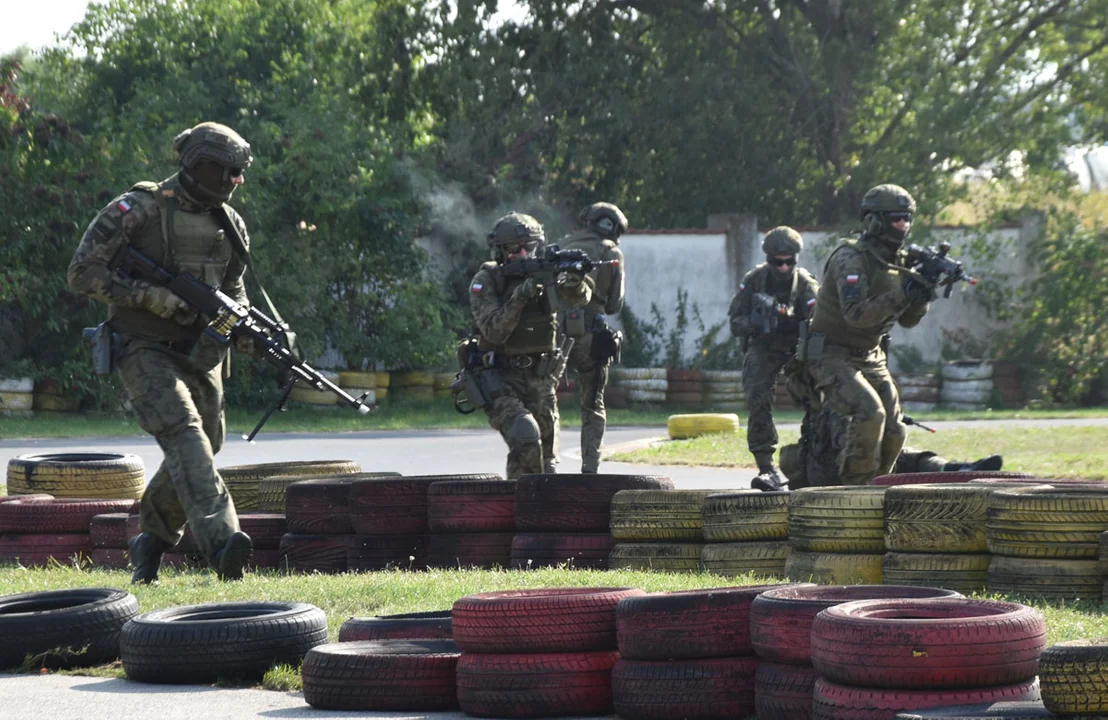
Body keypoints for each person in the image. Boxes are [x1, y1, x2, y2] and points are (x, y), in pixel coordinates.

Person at [68, 122, 256, 583]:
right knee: (185, 433)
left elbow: (235, 289)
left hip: (201, 352)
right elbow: (81, 272)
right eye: (230, 171)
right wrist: (149, 296)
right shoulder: (137, 210)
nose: (238, 181)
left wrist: (247, 327)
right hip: (142, 347)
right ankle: (223, 541)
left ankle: (150, 541)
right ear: (201, 166)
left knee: (207, 443)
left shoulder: (229, 224)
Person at [803, 183, 936, 485]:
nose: (904, 225)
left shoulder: (899, 261)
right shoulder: (850, 258)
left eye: (908, 218)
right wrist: (904, 292)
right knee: (869, 412)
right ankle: (854, 493)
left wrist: (922, 293)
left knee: (896, 428)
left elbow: (909, 322)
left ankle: (879, 487)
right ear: (874, 221)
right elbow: (857, 315)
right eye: (896, 218)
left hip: (868, 354)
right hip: (828, 352)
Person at [468, 212, 593, 479]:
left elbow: (579, 298)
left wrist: (575, 282)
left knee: (546, 464)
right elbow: (493, 330)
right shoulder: (487, 280)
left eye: (530, 247)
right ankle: (519, 505)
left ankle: (528, 511)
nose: (524, 254)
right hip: (500, 378)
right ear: (501, 251)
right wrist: (520, 296)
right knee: (525, 435)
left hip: (540, 376)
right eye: (515, 249)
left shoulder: (544, 273)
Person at [727, 226, 818, 491]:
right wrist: (753, 322)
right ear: (768, 258)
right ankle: (766, 466)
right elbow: (734, 322)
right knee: (756, 394)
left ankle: (812, 457)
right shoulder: (754, 280)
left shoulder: (805, 284)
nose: (783, 266)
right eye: (777, 261)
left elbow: (820, 322)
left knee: (819, 396)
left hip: (797, 347)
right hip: (764, 346)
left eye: (789, 260)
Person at [557, 202, 627, 474]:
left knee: (545, 399)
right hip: (589, 334)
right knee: (592, 403)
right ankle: (589, 468)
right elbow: (613, 305)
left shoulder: (562, 246)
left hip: (555, 334)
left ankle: (545, 466)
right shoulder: (612, 253)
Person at [779, 404, 1003, 488]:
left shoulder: (849, 394)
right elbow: (849, 447)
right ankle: (955, 472)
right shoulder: (839, 400)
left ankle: (957, 471)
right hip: (831, 472)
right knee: (900, 456)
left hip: (843, 462)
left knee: (906, 455)